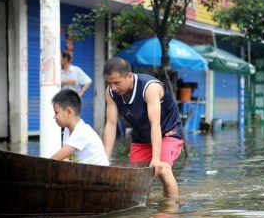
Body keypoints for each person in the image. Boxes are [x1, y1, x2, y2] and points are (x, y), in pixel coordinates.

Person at [103, 57, 184, 198]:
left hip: (167, 132)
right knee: (137, 177)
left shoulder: (150, 87)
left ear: (129, 76)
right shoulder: (111, 93)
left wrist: (156, 158)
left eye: (117, 83)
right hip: (141, 136)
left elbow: (155, 124)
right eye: (109, 83)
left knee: (163, 169)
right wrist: (104, 158)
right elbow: (111, 124)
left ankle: (170, 213)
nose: (113, 87)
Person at [50, 88, 109, 166]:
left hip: (100, 174)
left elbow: (55, 158)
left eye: (56, 112)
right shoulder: (67, 131)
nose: (54, 117)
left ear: (69, 112)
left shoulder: (82, 132)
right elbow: (65, 156)